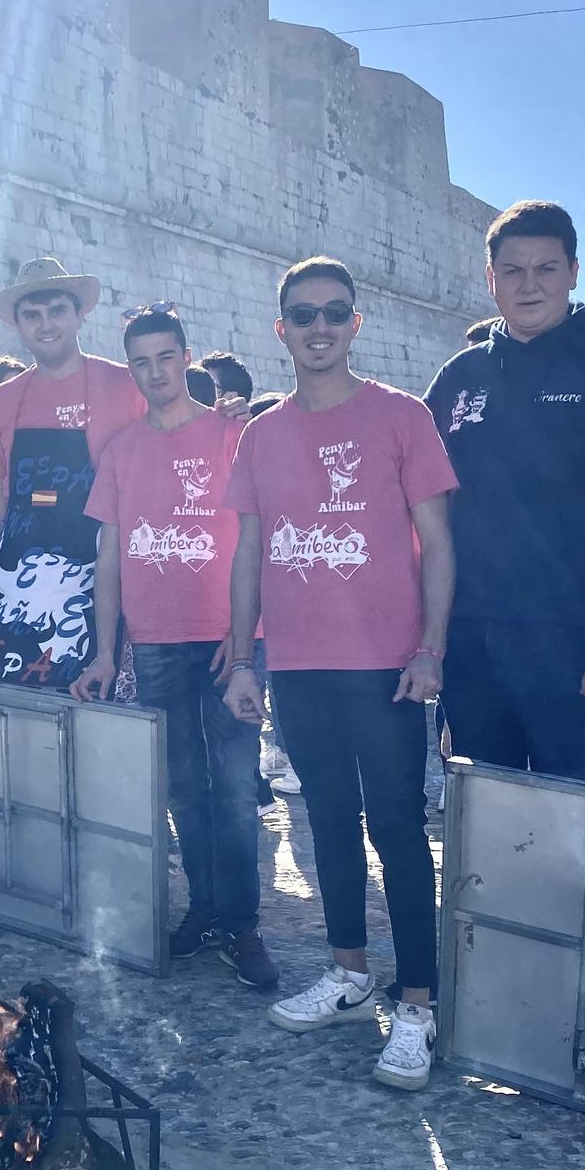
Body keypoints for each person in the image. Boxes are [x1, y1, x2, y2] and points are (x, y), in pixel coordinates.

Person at [222, 257, 457, 1091]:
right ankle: (351, 973)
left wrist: (431, 648)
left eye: (334, 313)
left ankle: (420, 1005)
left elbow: (437, 541)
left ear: (356, 324)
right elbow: (249, 549)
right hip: (299, 665)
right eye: (303, 315)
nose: (319, 327)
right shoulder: (261, 432)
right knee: (326, 824)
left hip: (386, 667)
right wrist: (243, 655)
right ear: (280, 329)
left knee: (398, 830)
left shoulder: (402, 417)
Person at [426, 200, 585, 783]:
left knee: (564, 820)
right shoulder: (459, 377)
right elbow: (426, 510)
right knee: (482, 811)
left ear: (574, 271)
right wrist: (434, 642)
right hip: (472, 639)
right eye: (512, 271)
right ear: (490, 279)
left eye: (546, 268)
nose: (529, 285)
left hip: (570, 638)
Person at [72, 305, 277, 990]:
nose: (155, 372)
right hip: (155, 642)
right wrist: (106, 652)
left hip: (227, 645)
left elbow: (258, 541)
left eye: (166, 357)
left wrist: (245, 638)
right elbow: (108, 559)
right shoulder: (124, 450)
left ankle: (242, 923)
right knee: (184, 789)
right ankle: (205, 909)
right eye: (141, 361)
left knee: (236, 791)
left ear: (186, 358)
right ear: (130, 368)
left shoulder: (232, 437)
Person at [0, 257, 140, 687]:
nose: (46, 324)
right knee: (13, 712)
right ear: (18, 325)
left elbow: (176, 432)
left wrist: (228, 417)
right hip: (18, 588)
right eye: (32, 315)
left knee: (96, 719)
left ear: (80, 315)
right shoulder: (2, 401)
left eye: (57, 310)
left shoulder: (125, 386)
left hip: (101, 584)